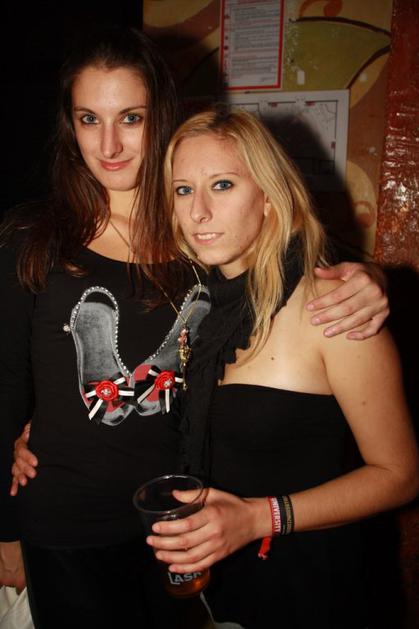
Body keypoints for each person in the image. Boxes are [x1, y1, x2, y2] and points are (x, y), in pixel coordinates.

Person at [1, 25, 389, 629]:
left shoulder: (197, 234)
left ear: (161, 116)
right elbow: (4, 383)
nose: (109, 144)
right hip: (68, 524)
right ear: (69, 125)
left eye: (131, 118)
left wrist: (370, 277)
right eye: (88, 119)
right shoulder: (34, 238)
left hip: (184, 519)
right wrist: (5, 531)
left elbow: (290, 259)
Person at [143, 107, 419, 629]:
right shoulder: (193, 307)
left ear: (270, 196)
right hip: (212, 587)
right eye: (183, 190)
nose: (198, 211)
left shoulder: (334, 308)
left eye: (222, 185)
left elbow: (400, 475)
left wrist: (258, 518)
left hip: (306, 591)